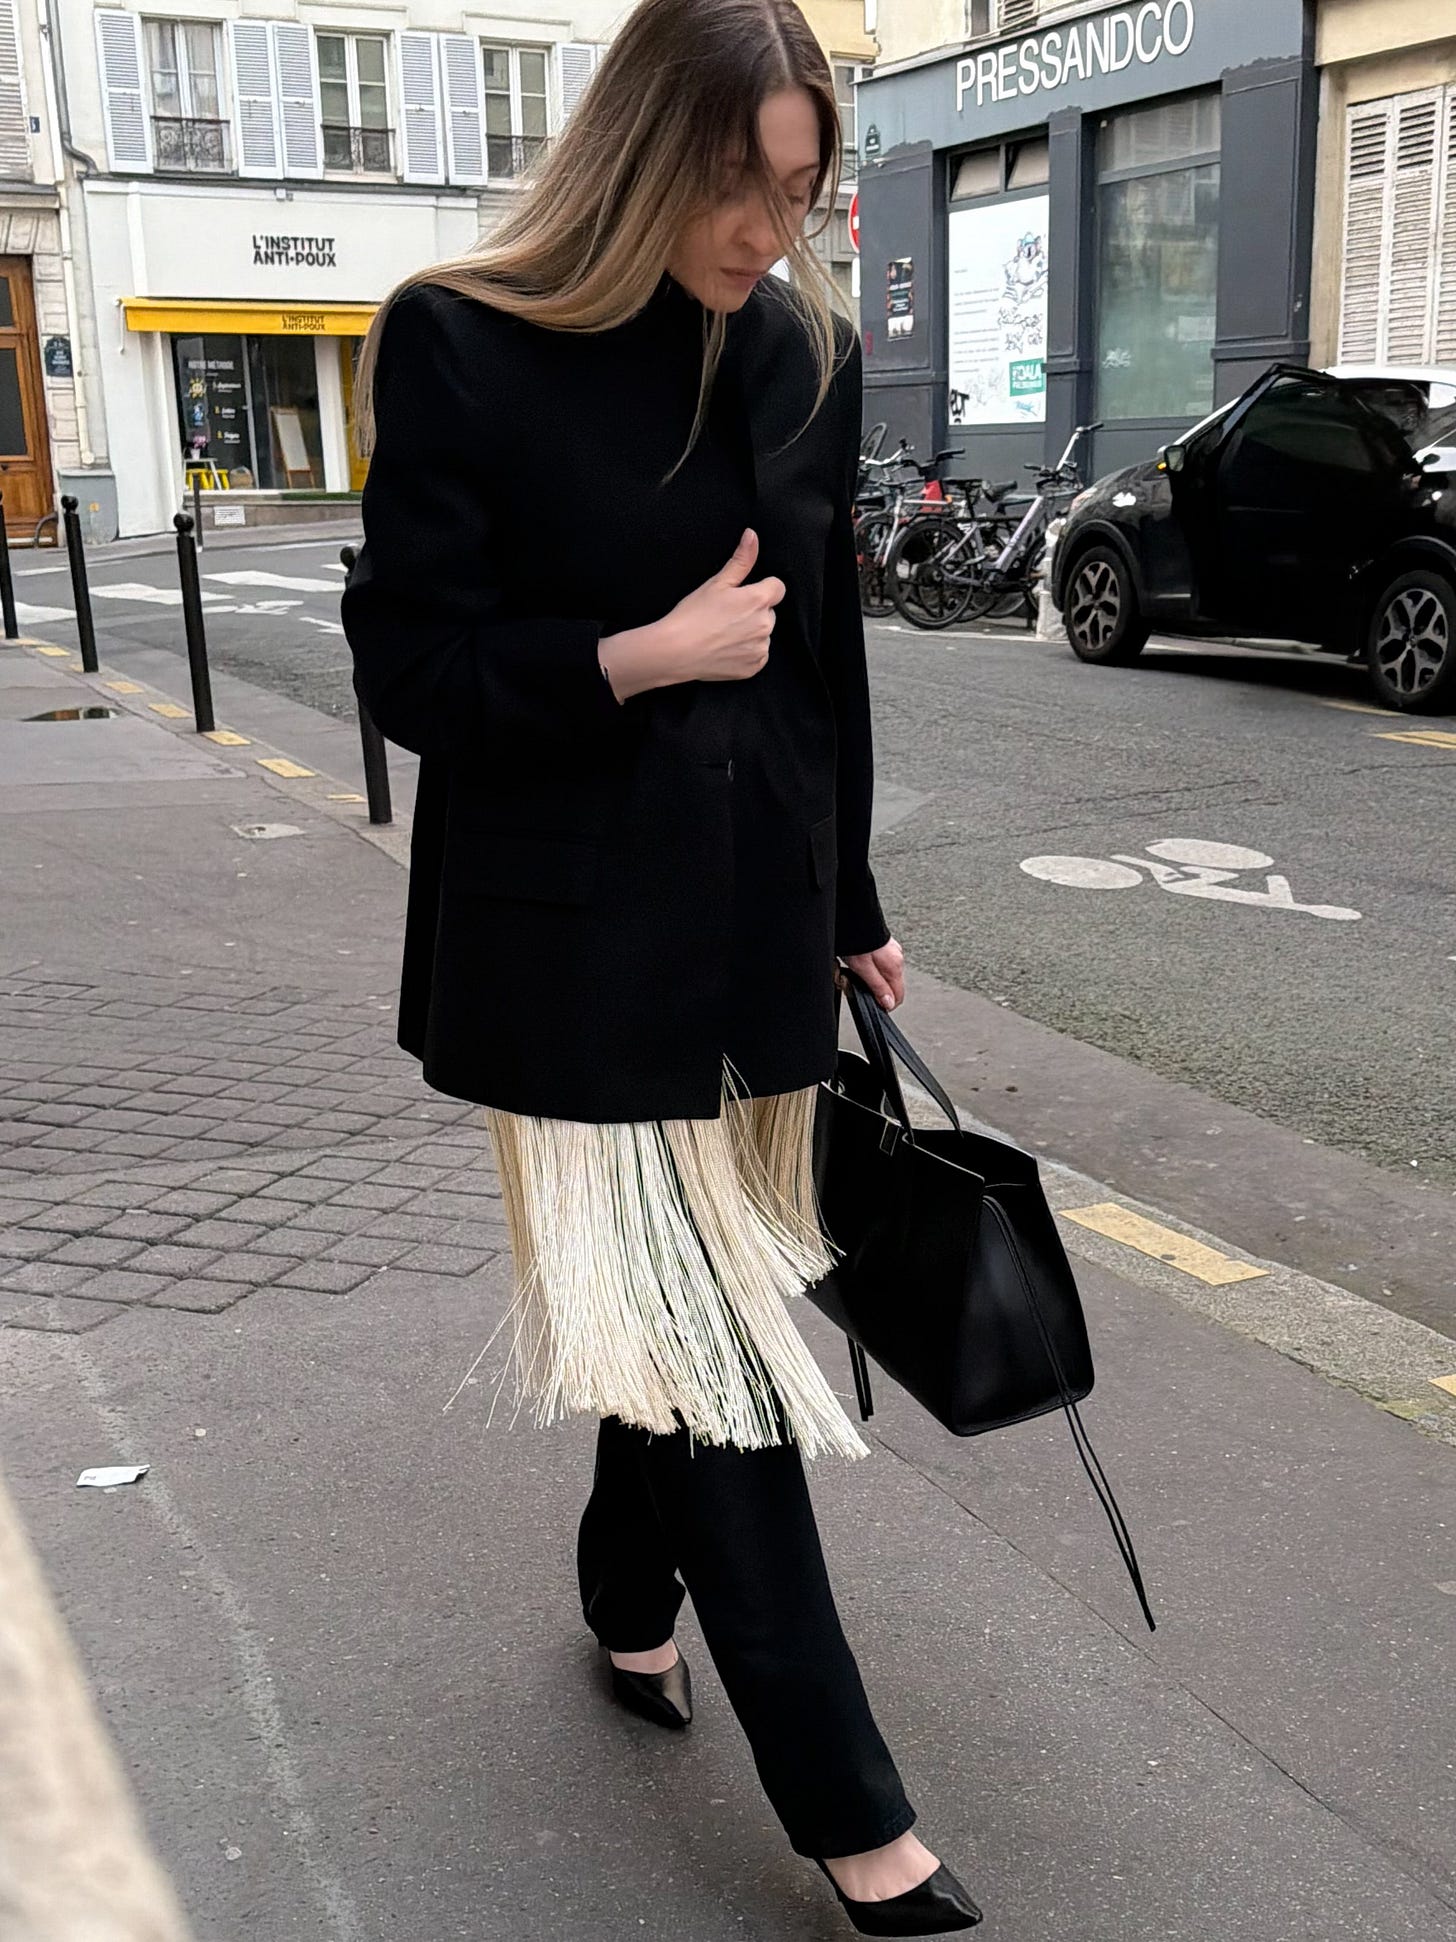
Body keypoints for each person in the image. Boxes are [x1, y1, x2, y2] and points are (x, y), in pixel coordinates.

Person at [341, 0, 981, 1931]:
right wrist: (636, 657)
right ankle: (858, 1821)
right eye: (734, 184)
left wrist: (851, 898)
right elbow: (411, 669)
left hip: (755, 924)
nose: (766, 230)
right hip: (571, 955)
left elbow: (825, 662)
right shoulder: (463, 335)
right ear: (641, 151)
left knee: (688, 1294)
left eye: (800, 190)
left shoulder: (799, 351)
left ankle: (630, 1595)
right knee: (714, 1341)